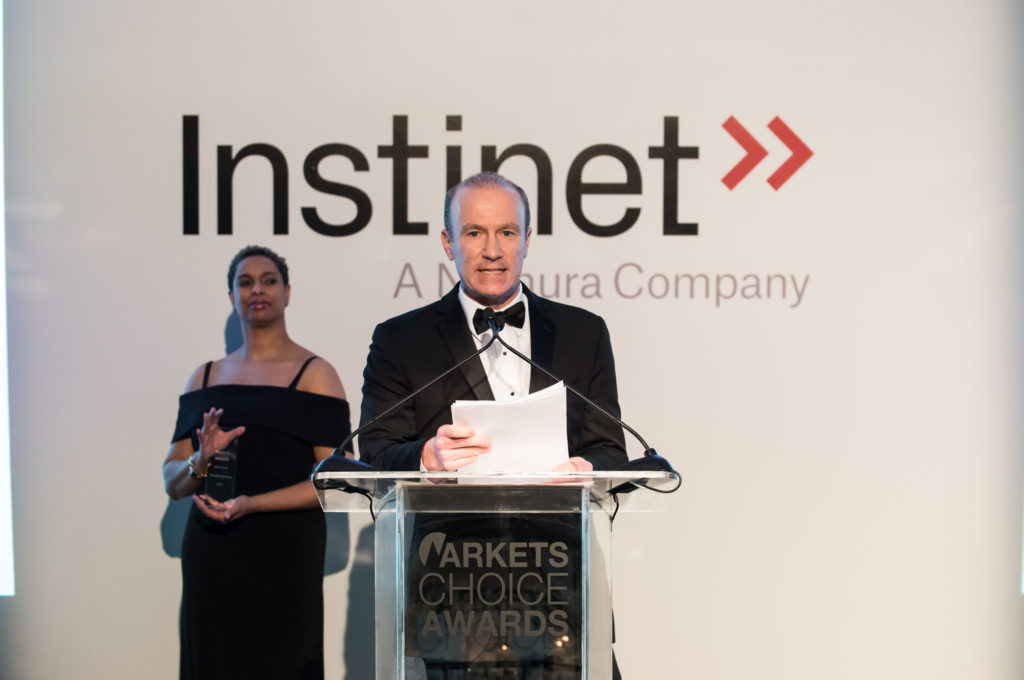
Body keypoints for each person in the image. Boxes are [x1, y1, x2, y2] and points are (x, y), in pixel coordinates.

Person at [358, 171, 628, 473]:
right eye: (474, 233)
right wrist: (427, 457)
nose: (492, 251)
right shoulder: (399, 340)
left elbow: (610, 452)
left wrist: (584, 469)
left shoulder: (584, 333)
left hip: (560, 505)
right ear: (448, 243)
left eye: (507, 233)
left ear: (526, 240)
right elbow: (374, 452)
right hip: (446, 506)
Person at [163, 245, 350, 680]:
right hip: (212, 551)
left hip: (285, 554)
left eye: (268, 280)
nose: (257, 290)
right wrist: (200, 460)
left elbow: (337, 480)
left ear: (287, 292)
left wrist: (252, 504)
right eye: (245, 283)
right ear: (232, 297)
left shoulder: (316, 374)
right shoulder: (205, 377)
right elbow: (172, 481)